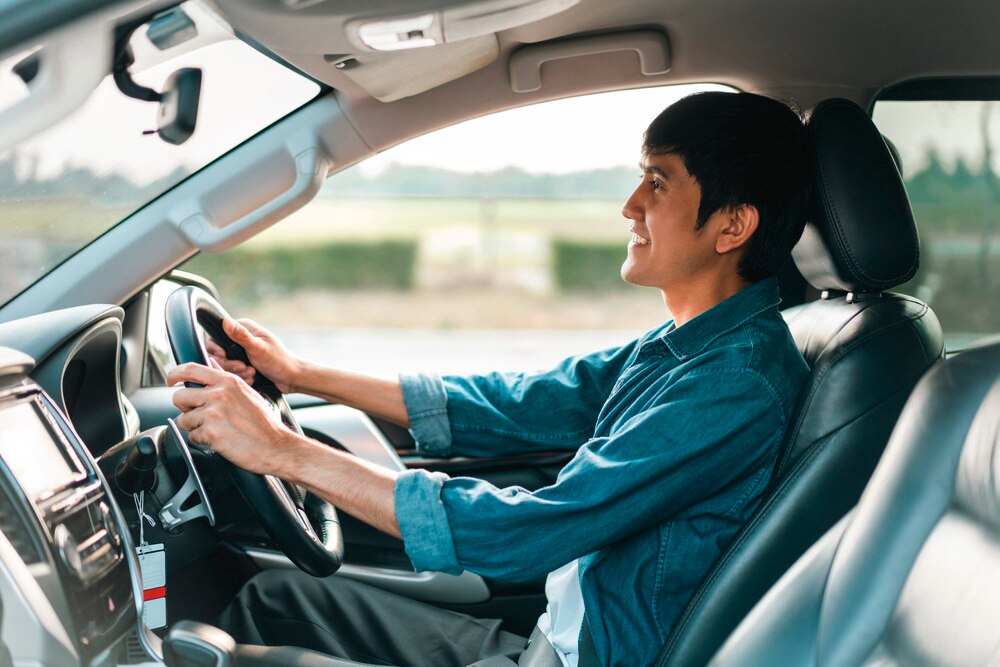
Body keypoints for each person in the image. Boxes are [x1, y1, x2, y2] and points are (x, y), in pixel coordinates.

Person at [167, 91, 813, 667]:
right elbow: (516, 404)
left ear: (733, 224)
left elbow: (530, 530)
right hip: (545, 642)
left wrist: (280, 449)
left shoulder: (735, 384)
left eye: (658, 183)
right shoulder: (693, 346)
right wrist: (302, 373)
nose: (630, 205)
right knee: (271, 597)